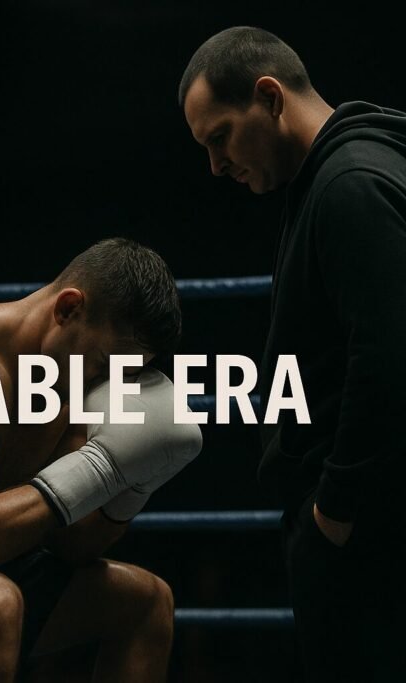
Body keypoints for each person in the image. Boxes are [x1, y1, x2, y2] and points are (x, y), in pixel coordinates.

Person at [180, 26, 406, 681]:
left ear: (269, 96)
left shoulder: (349, 185)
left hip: (368, 537)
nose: (216, 165)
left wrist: (335, 508)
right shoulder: (348, 171)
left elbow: (390, 356)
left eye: (219, 136)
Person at [0, 238, 203, 682]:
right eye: (105, 362)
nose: (105, 381)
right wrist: (101, 468)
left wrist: (131, 488)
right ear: (68, 309)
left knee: (147, 602)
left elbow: (72, 545)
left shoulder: (75, 383)